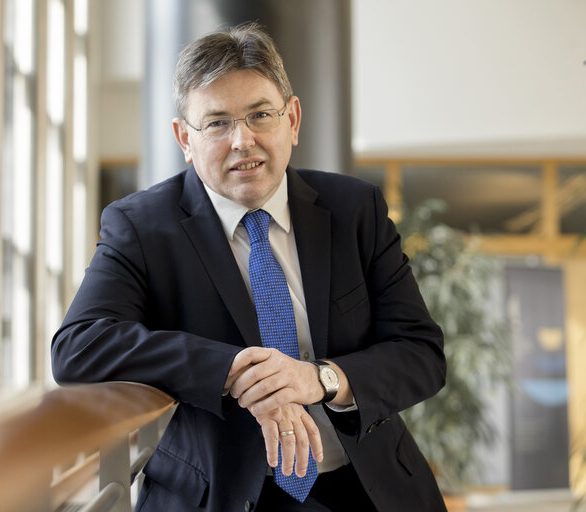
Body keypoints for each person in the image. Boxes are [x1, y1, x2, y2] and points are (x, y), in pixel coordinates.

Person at [52, 22, 446, 512]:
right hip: (224, 494)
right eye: (216, 123)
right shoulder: (141, 226)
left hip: (364, 489)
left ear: (293, 119)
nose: (243, 140)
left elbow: (421, 352)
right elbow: (78, 346)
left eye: (261, 114)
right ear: (184, 140)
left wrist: (320, 379)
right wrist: (232, 369)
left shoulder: (354, 210)